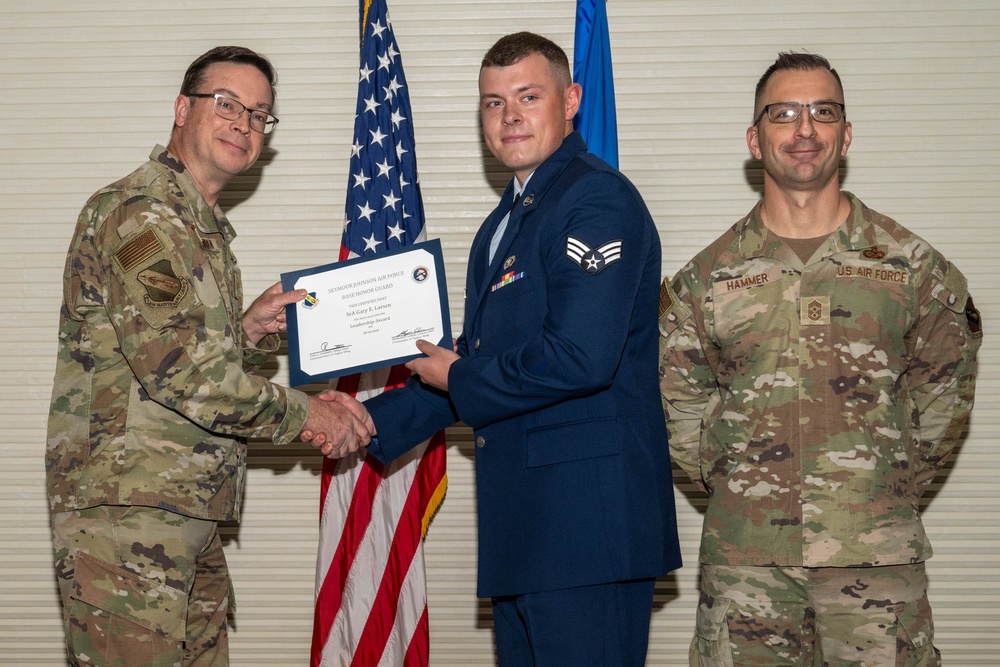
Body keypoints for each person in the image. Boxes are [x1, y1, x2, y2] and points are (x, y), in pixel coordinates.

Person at [314, 31, 681, 665]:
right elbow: (476, 362)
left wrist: (459, 375)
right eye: (492, 102)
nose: (509, 117)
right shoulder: (502, 225)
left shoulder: (595, 199)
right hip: (528, 532)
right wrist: (373, 419)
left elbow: (579, 357)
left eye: (527, 96)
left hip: (585, 532)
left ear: (570, 101)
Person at [46, 46, 370, 666]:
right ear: (180, 108)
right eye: (226, 104)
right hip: (128, 522)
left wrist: (245, 332)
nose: (243, 123)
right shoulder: (139, 216)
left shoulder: (201, 229)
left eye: (258, 114)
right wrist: (309, 415)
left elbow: (168, 360)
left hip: (178, 516)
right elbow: (184, 374)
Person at [658, 52, 982, 666]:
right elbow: (682, 408)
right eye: (784, 113)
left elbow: (945, 393)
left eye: (822, 112)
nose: (804, 129)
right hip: (746, 564)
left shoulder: (912, 268)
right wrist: (742, 486)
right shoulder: (706, 279)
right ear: (756, 139)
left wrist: (882, 483)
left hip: (875, 562)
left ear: (846, 134)